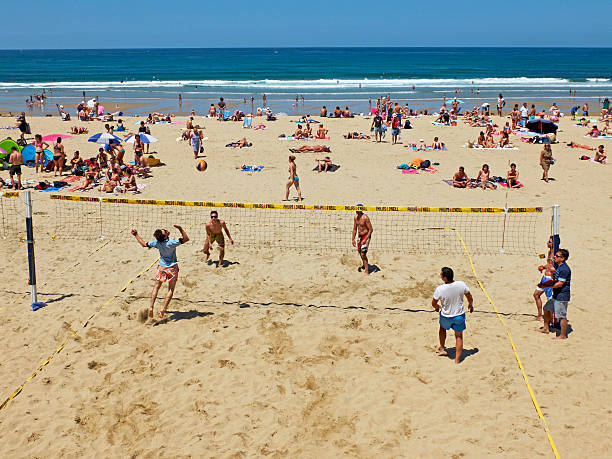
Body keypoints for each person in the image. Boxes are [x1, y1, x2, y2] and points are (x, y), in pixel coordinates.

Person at [132, 225, 189, 319]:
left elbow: (143, 244)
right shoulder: (171, 243)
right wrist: (180, 229)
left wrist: (136, 235)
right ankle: (163, 309)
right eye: (165, 231)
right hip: (172, 268)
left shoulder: (157, 242)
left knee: (156, 287)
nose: (167, 230)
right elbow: (186, 239)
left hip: (161, 268)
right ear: (166, 236)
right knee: (170, 289)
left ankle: (151, 307)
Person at [432, 267, 474, 364]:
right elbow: (469, 297)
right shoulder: (461, 284)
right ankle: (457, 360)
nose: (440, 275)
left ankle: (442, 348)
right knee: (459, 336)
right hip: (459, 316)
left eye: (441, 274)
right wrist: (471, 305)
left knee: (442, 330)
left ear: (445, 278)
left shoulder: (440, 289)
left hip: (446, 316)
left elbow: (434, 303)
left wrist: (437, 307)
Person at [538, 248, 571, 339]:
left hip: (562, 295)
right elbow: (555, 279)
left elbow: (560, 284)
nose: (555, 257)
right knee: (547, 309)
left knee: (561, 316)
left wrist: (547, 286)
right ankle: (546, 328)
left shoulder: (564, 269)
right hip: (556, 294)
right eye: (555, 255)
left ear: (562, 258)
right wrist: (552, 273)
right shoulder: (558, 266)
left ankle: (563, 335)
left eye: (557, 256)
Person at [533, 237, 555, 322]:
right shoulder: (550, 252)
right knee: (536, 295)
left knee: (550, 301)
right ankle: (539, 316)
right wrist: (543, 267)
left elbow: (557, 268)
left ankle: (551, 320)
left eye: (549, 242)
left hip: (550, 280)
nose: (547, 243)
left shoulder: (557, 254)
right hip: (544, 278)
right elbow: (549, 264)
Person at [352, 206, 373, 275]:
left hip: (366, 235)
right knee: (360, 252)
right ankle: (364, 264)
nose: (356, 211)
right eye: (356, 210)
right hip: (360, 236)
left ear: (361, 210)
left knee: (363, 253)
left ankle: (367, 270)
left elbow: (371, 230)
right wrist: (353, 239)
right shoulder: (355, 217)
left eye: (357, 210)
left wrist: (366, 239)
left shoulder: (365, 217)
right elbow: (355, 229)